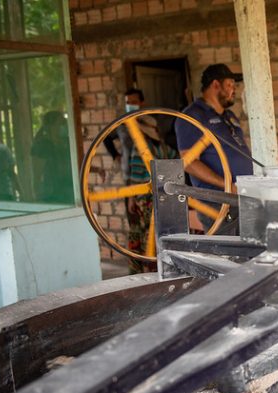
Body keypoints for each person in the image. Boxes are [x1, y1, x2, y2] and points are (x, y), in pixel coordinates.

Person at [175, 63, 253, 231]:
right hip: (219, 202)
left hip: (243, 196)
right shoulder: (192, 116)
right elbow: (188, 162)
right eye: (230, 85)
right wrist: (227, 185)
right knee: (228, 254)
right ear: (216, 85)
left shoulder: (229, 116)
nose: (234, 90)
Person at [126, 115, 177, 274]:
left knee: (144, 233)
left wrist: (131, 199)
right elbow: (176, 160)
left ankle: (147, 269)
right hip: (165, 197)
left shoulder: (139, 148)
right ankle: (164, 267)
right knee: (161, 232)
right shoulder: (163, 148)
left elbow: (136, 174)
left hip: (146, 197)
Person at [103, 88, 144, 182]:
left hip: (148, 172)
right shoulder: (121, 125)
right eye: (128, 103)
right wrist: (115, 155)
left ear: (142, 103)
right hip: (129, 173)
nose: (130, 105)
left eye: (134, 102)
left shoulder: (150, 122)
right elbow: (106, 138)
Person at [31, 111, 73, 203]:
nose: (64, 125)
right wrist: (36, 194)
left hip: (69, 193)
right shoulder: (43, 145)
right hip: (51, 195)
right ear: (51, 126)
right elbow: (37, 173)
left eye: (65, 123)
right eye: (61, 123)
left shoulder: (68, 142)